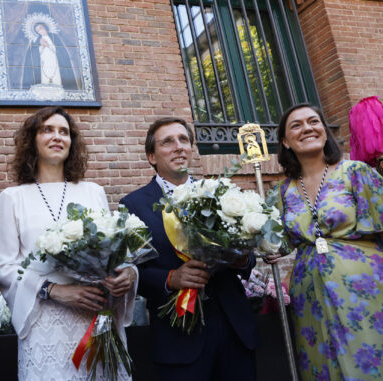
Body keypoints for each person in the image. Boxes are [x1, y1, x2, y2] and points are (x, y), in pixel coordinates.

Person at [0, 107, 137, 380]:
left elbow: (115, 253)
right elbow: (5, 268)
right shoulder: (12, 197)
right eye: (47, 130)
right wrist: (54, 290)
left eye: (64, 132)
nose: (57, 136)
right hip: (46, 322)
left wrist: (128, 274)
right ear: (32, 141)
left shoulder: (92, 191)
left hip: (96, 317)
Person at [120, 117, 258, 380]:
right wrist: (171, 279)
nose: (178, 146)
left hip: (234, 330)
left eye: (184, 140)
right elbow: (134, 271)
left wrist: (241, 260)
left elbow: (249, 258)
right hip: (179, 339)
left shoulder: (221, 193)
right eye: (168, 142)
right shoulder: (134, 205)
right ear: (151, 156)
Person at [266, 104, 383, 380]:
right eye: (296, 125)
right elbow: (280, 243)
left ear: (325, 131)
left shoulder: (356, 172)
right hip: (310, 297)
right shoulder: (283, 191)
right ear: (285, 141)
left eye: (313, 121)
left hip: (364, 291)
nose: (307, 128)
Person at [21, 19, 80, 91]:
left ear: (45, 27)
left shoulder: (54, 37)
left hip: (54, 61)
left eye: (40, 28)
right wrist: (40, 46)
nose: (40, 31)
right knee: (45, 78)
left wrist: (48, 45)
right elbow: (32, 55)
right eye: (37, 30)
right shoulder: (37, 41)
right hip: (44, 63)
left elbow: (60, 50)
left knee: (57, 77)